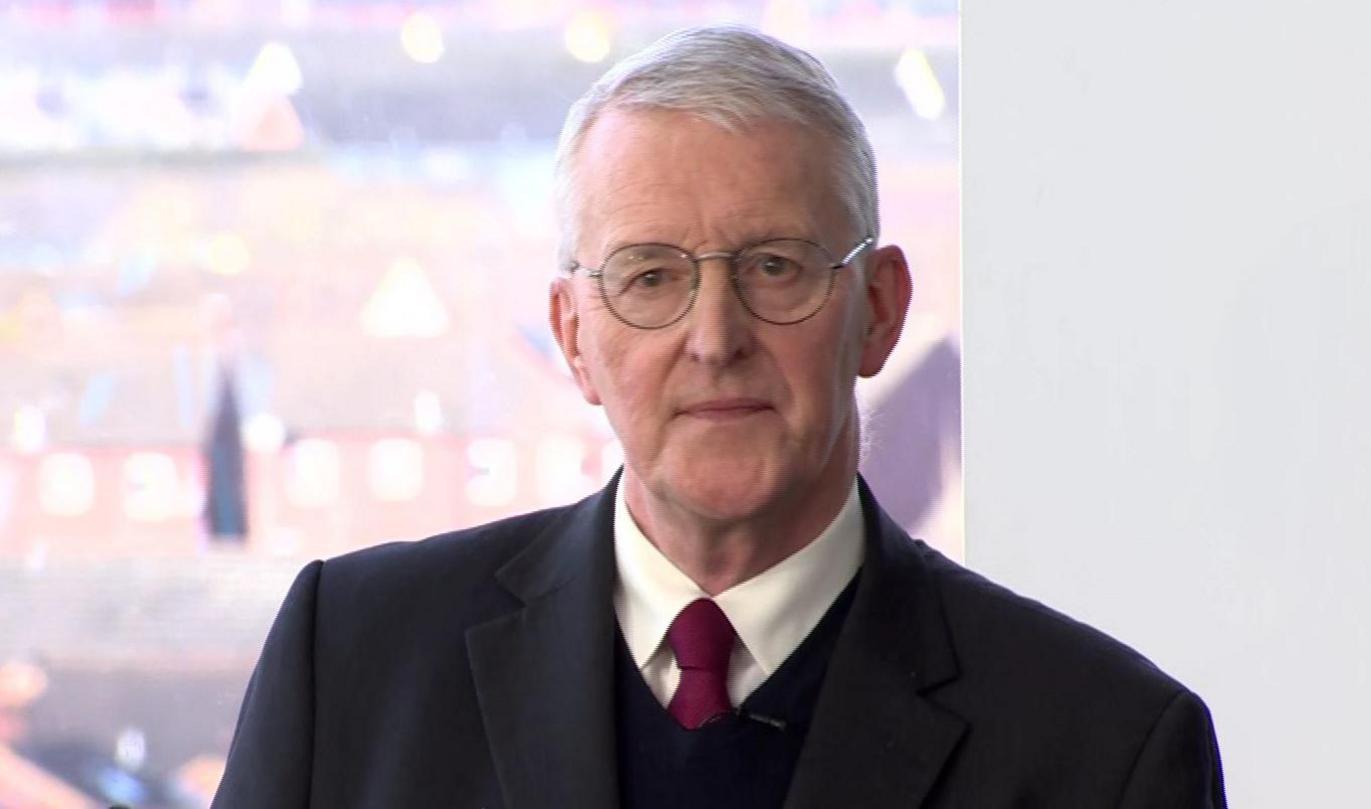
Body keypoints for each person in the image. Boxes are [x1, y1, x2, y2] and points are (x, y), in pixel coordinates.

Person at [212, 25, 1226, 809]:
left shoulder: (1104, 750)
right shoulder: (350, 666)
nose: (713, 334)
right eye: (649, 276)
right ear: (574, 337)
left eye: (773, 267)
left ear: (877, 312)